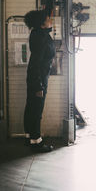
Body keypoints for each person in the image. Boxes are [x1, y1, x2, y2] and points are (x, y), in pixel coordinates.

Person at [23, 9, 55, 152]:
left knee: (31, 108)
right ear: (42, 24)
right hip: (38, 79)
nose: (51, 21)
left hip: (36, 78)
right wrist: (39, 86)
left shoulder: (39, 33)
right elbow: (36, 63)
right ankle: (36, 143)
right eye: (48, 19)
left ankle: (30, 137)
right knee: (36, 111)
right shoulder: (41, 38)